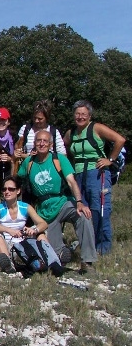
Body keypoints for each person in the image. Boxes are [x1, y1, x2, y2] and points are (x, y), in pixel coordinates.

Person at [17, 130, 97, 274]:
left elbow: (71, 181)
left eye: (45, 141)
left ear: (51, 144)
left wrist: (79, 202)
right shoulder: (29, 162)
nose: (41, 144)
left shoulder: (59, 159)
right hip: (44, 210)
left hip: (63, 201)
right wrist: (12, 159)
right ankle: (62, 254)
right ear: (34, 143)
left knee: (84, 216)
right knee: (53, 253)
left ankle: (87, 261)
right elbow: (17, 178)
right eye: (38, 141)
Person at [64, 100, 125, 255]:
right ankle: (88, 247)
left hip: (97, 173)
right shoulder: (71, 133)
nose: (80, 117)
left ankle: (103, 249)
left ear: (89, 115)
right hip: (78, 174)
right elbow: (63, 147)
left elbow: (120, 140)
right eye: (77, 114)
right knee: (83, 212)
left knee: (99, 210)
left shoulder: (96, 128)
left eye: (84, 114)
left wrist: (109, 160)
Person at [0, 176, 49, 274]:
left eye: (11, 189)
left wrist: (34, 230)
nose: (7, 192)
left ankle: (48, 258)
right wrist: (8, 230)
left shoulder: (25, 207)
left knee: (41, 232)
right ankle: (8, 263)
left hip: (22, 244)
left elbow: (43, 223)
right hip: (6, 245)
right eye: (4, 189)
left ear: (18, 191)